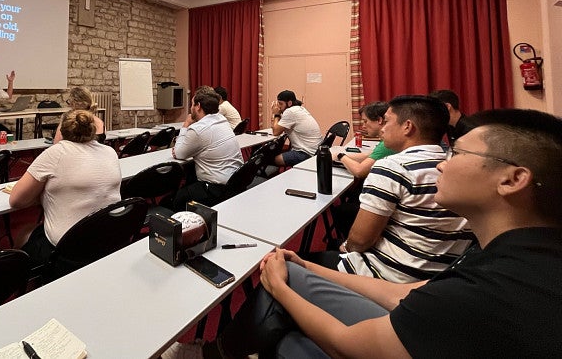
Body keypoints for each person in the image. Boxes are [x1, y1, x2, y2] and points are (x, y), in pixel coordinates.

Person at [207, 108, 562, 358]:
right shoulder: (516, 255)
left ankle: (218, 348)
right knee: (293, 266)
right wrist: (308, 266)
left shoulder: (488, 294)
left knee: (284, 329)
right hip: (404, 284)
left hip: (382, 296)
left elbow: (346, 343)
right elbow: (401, 294)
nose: (442, 161)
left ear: (513, 179)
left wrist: (280, 287)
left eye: (457, 153)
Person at [333, 95, 473, 283]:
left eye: (388, 121)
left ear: (407, 126)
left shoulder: (392, 167)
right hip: (441, 277)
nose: (383, 127)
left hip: (389, 276)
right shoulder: (453, 164)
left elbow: (359, 241)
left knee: (289, 266)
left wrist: (347, 247)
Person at [9, 109, 121, 267]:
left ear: (61, 131)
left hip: (67, 251)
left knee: (24, 233)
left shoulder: (56, 153)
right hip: (110, 240)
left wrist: (42, 195)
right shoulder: (110, 152)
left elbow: (16, 200)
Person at [171, 89, 243, 210]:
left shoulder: (198, 129)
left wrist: (186, 125)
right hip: (236, 180)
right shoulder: (222, 119)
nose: (191, 108)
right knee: (191, 173)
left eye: (192, 104)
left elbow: (179, 153)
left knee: (178, 199)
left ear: (198, 106)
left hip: (217, 189)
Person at [331, 101, 393, 179]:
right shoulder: (388, 139)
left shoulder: (387, 144)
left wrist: (341, 156)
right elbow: (368, 156)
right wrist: (335, 156)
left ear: (379, 120)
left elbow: (359, 171)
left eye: (365, 121)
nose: (363, 126)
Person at [271, 90, 322, 166]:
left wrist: (276, 114)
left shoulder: (290, 112)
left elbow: (275, 132)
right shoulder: (300, 109)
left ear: (289, 103)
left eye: (281, 104)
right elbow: (278, 127)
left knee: (275, 159)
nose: (279, 107)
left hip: (307, 153)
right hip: (317, 150)